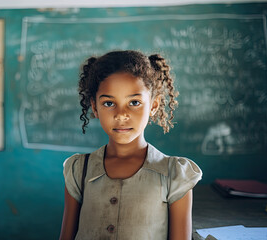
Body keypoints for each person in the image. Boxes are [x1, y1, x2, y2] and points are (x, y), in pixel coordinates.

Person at [59, 50, 202, 240]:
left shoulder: (174, 174)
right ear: (94, 107)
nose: (121, 114)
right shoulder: (79, 169)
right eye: (109, 103)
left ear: (154, 105)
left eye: (134, 102)